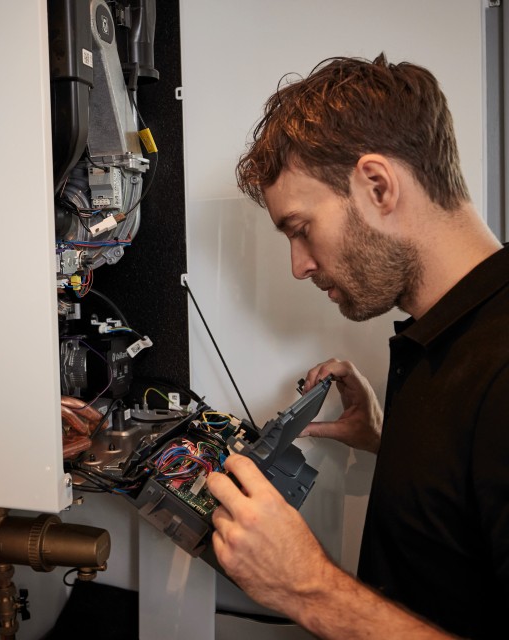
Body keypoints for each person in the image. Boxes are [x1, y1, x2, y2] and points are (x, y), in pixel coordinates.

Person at [206, 53, 508, 640]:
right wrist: (389, 442)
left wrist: (308, 587)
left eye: (300, 228)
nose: (299, 266)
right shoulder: (447, 333)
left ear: (377, 185)